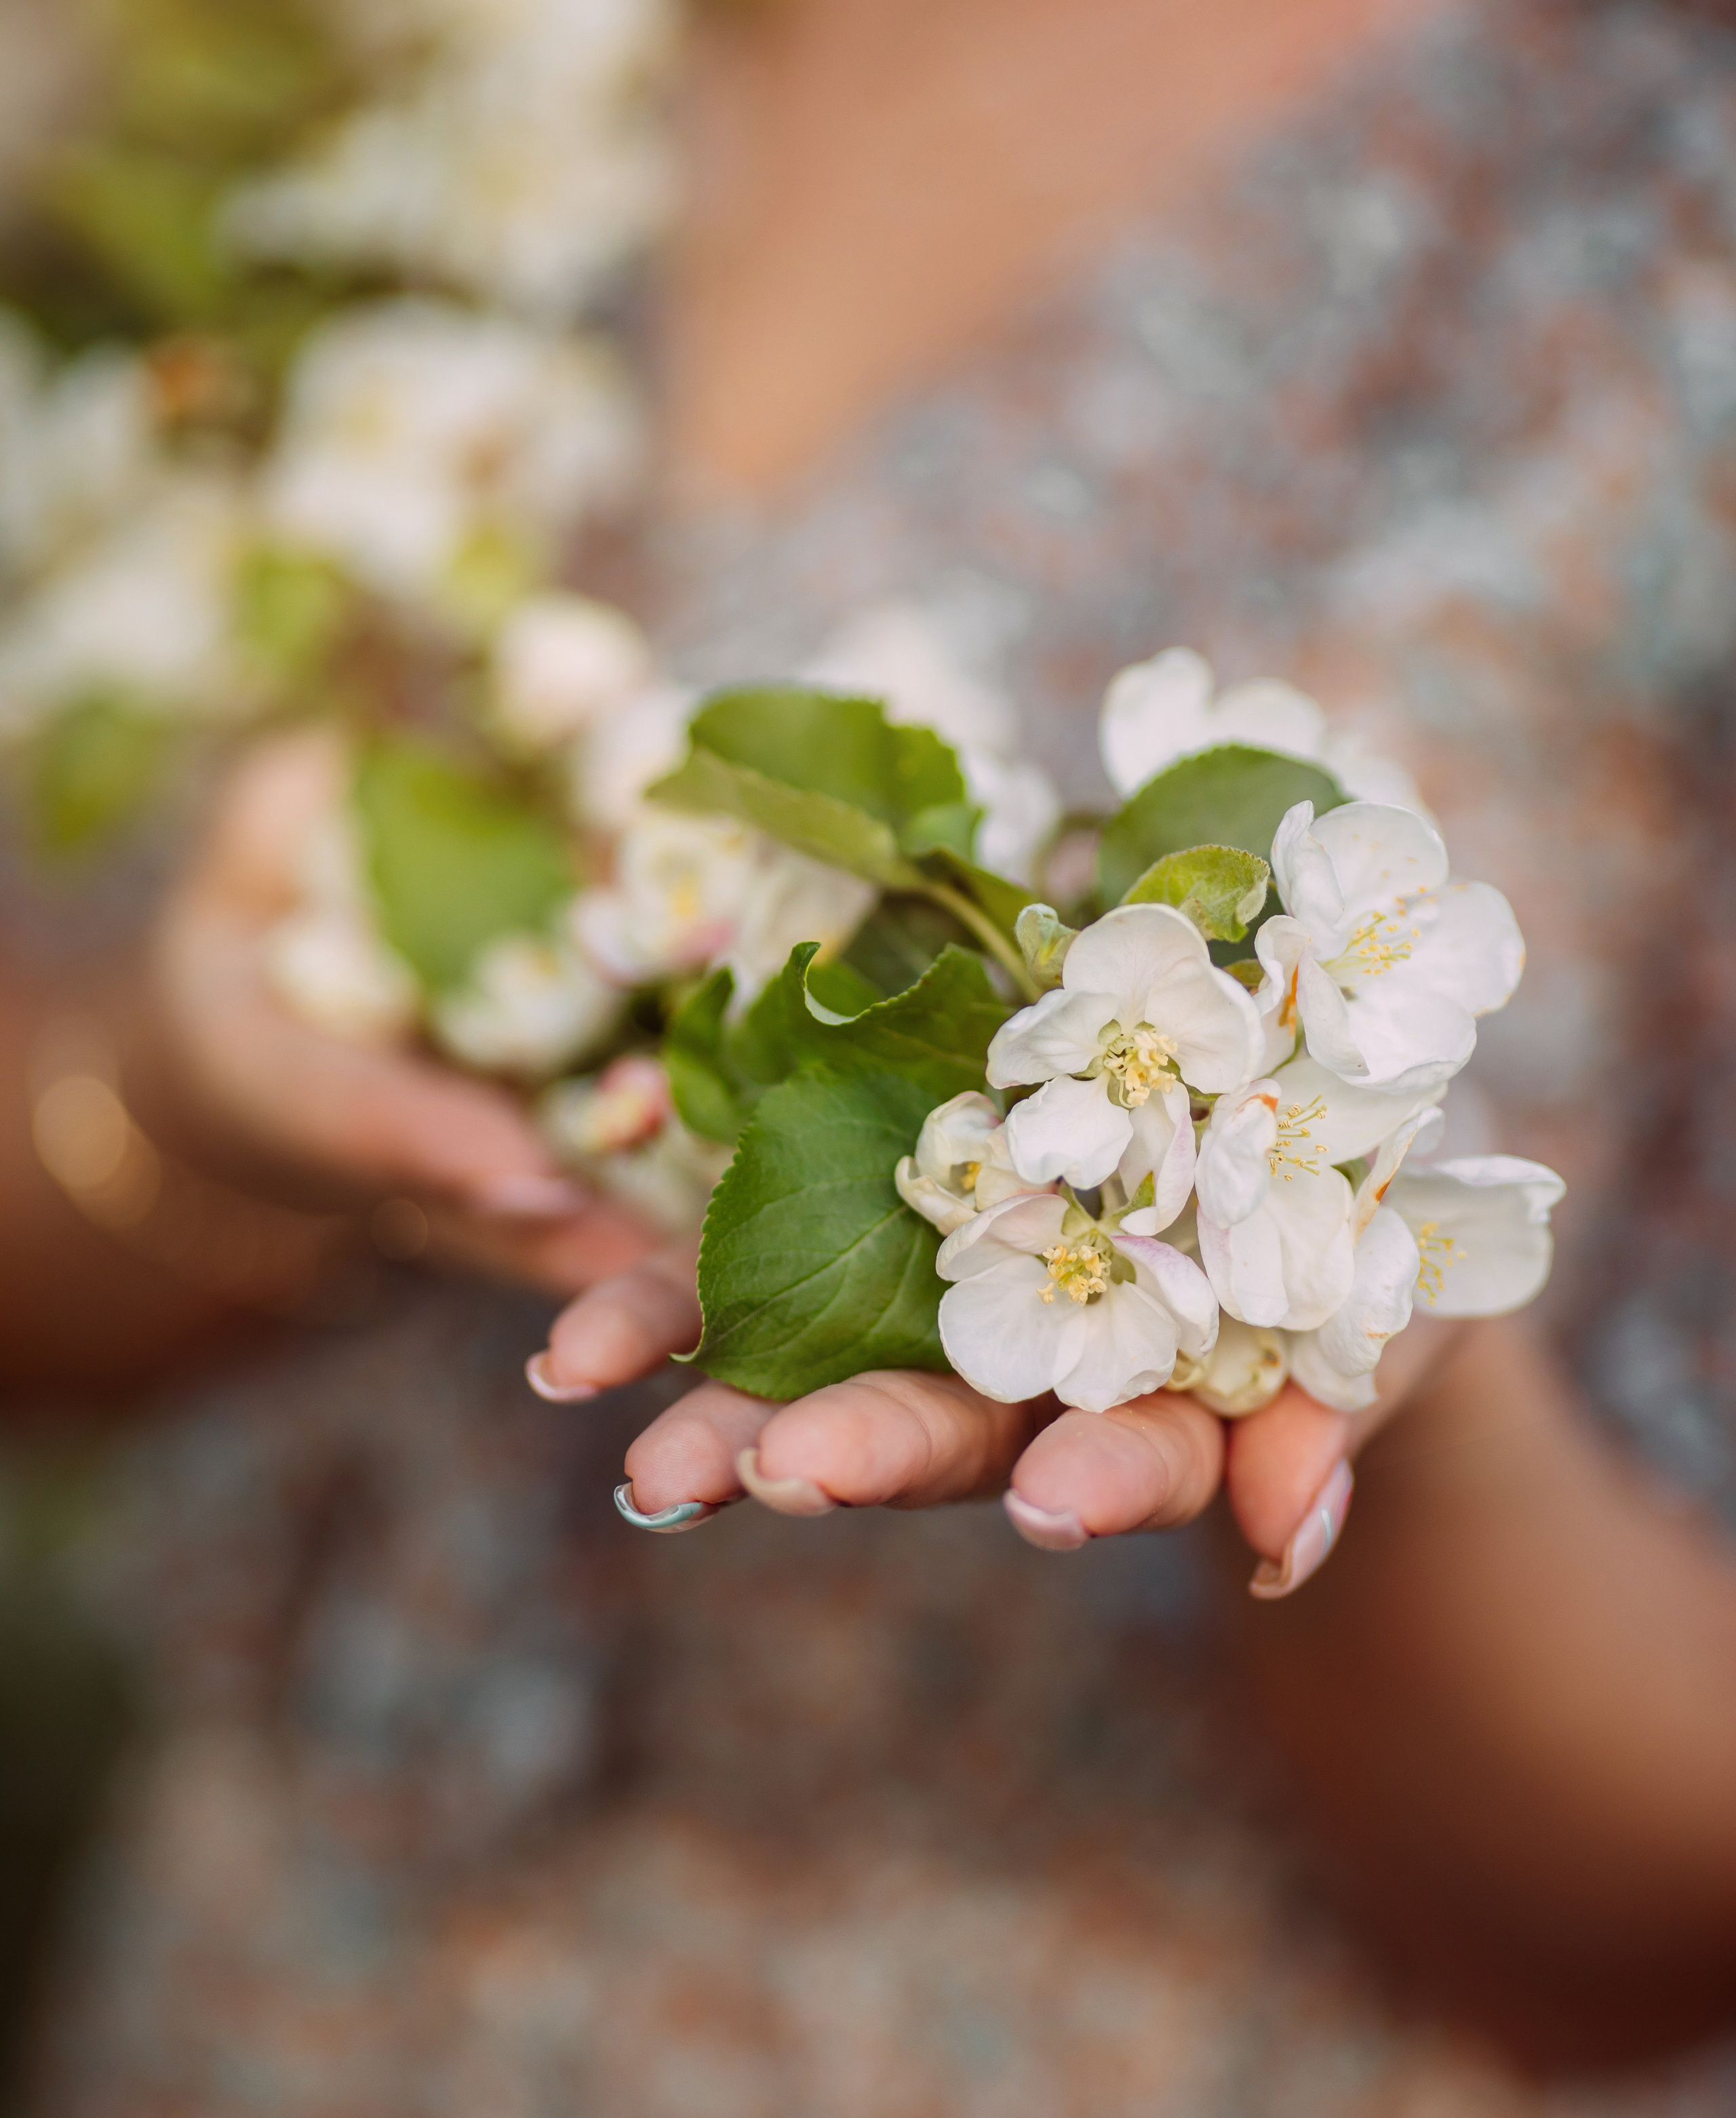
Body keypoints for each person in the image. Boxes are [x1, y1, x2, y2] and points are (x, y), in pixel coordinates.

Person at [19, 0, 1736, 2102]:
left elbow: (1642, 1944)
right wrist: (196, 1102)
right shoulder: (394, 68)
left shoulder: (1669, 178)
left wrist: (1392, 1401)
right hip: (267, 2004)